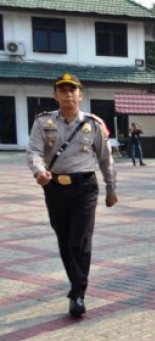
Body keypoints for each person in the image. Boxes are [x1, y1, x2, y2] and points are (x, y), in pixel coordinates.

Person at [26, 73, 118, 318]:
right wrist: (39, 171)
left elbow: (105, 159)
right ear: (55, 95)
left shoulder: (93, 124)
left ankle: (78, 293)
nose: (68, 94)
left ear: (80, 95)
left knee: (79, 239)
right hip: (54, 188)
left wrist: (111, 189)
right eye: (63, 90)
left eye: (72, 90)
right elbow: (34, 151)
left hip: (84, 187)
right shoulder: (42, 123)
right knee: (64, 239)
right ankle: (77, 284)